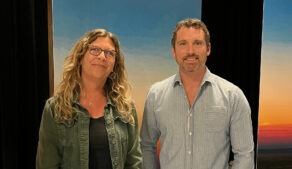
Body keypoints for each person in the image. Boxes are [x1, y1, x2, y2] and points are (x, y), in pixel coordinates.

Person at [140, 18, 254, 169]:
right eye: (183, 44)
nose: (190, 51)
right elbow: (147, 146)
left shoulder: (233, 96)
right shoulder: (155, 95)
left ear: (208, 48)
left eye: (197, 43)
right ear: (173, 51)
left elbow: (245, 154)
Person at [36, 29, 142, 169]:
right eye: (95, 50)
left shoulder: (126, 108)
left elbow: (134, 163)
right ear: (80, 58)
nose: (102, 56)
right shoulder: (55, 108)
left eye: (109, 53)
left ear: (113, 67)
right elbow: (47, 165)